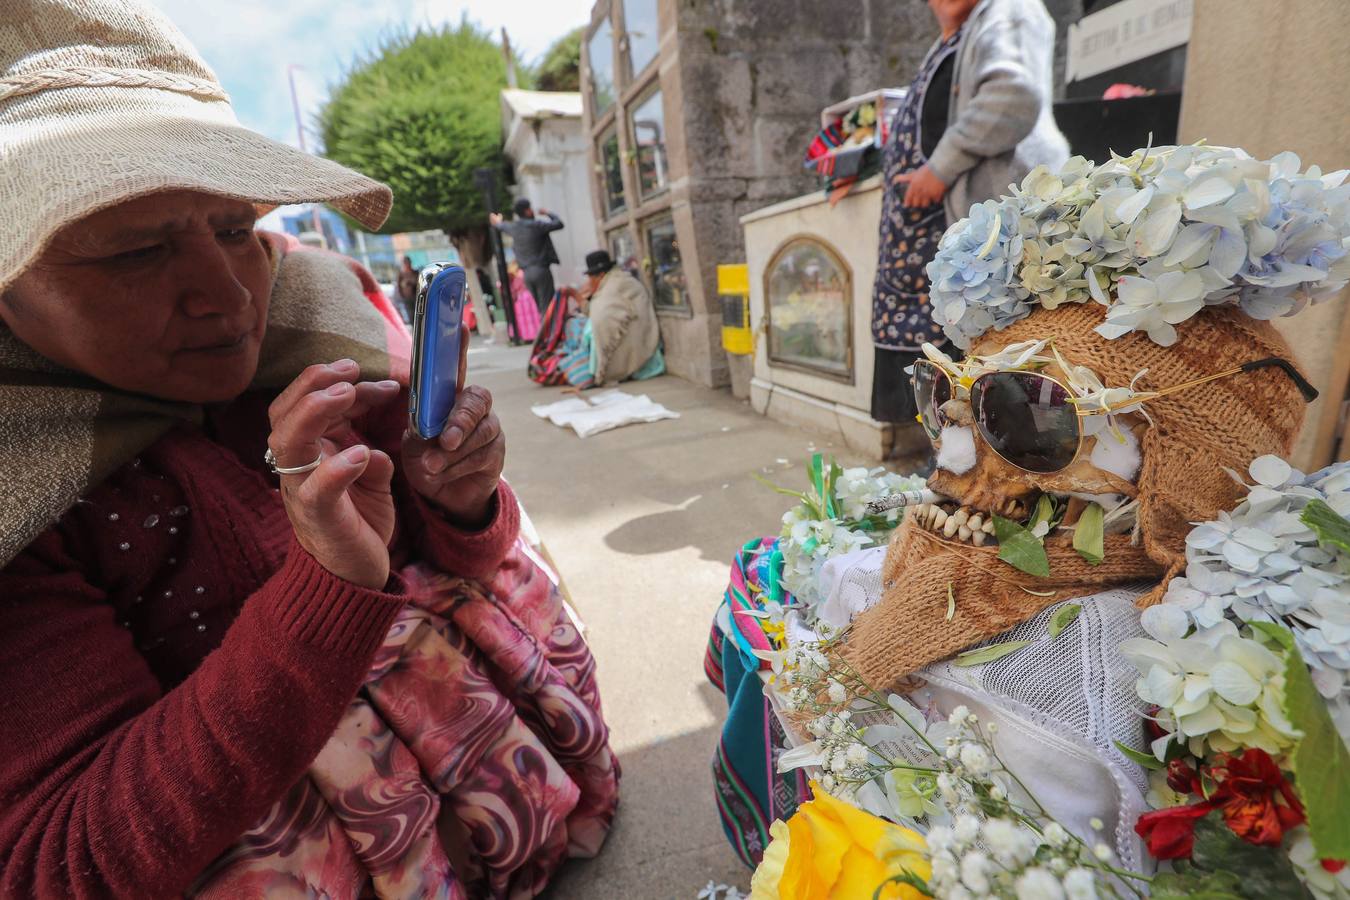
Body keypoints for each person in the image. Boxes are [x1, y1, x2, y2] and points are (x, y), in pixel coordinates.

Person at [0, 2, 618, 896]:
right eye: (135, 252)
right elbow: (64, 863)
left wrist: (461, 502)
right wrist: (326, 585)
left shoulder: (325, 323)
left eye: (233, 229)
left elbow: (473, 562)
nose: (228, 297)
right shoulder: (20, 488)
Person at [869, 0, 1068, 426]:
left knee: (989, 366)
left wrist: (938, 170)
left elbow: (1012, 95)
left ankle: (979, 466)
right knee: (960, 374)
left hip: (993, 230)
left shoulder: (1008, 9)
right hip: (944, 234)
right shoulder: (960, 33)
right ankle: (952, 455)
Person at [556, 250, 664, 390]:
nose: (590, 281)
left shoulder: (616, 285)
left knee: (589, 331)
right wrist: (578, 295)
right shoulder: (611, 283)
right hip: (629, 333)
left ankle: (601, 369)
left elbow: (603, 320)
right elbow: (595, 310)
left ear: (601, 275)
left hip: (636, 337)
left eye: (591, 277)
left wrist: (577, 295)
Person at [489, 198, 563, 316]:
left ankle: (547, 331)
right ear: (527, 211)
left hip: (527, 274)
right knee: (548, 307)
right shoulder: (536, 225)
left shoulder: (514, 227)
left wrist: (498, 222)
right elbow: (559, 224)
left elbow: (501, 225)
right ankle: (551, 333)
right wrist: (547, 213)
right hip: (541, 270)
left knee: (541, 307)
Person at [394, 254, 418, 323]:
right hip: (406, 298)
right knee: (411, 315)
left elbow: (417, 282)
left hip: (415, 296)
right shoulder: (401, 274)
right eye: (406, 263)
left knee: (417, 313)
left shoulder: (415, 272)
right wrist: (401, 296)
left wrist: (410, 282)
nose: (407, 265)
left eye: (408, 263)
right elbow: (399, 286)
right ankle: (413, 328)